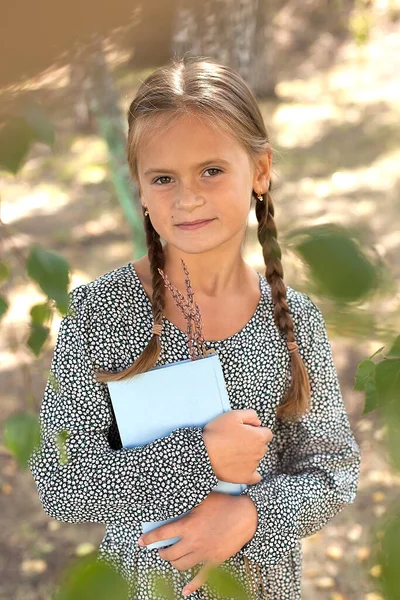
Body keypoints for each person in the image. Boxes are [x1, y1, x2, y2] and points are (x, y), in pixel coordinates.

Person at [28, 55, 361, 600]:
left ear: (259, 170)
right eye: (163, 178)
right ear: (138, 186)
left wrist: (249, 515)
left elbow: (333, 468)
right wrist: (199, 455)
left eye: (211, 170)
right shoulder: (98, 315)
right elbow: (59, 481)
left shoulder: (292, 319)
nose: (188, 197)